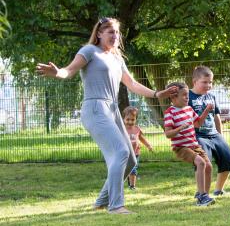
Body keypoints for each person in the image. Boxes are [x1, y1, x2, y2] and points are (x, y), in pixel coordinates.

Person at [36, 17, 176, 214]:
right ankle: (116, 205)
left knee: (130, 161)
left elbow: (132, 84)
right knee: (120, 152)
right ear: (99, 33)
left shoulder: (117, 59)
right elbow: (69, 70)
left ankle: (102, 201)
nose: (115, 36)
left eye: (117, 32)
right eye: (110, 32)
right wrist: (57, 72)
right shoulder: (89, 51)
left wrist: (156, 94)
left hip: (112, 110)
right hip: (95, 108)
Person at [164, 82, 215, 206]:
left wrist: (206, 111)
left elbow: (197, 124)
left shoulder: (189, 109)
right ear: (173, 97)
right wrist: (180, 128)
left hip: (194, 145)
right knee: (200, 162)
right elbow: (168, 134)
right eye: (184, 95)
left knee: (208, 166)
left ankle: (204, 194)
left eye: (188, 95)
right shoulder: (169, 113)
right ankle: (202, 197)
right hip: (181, 147)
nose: (187, 97)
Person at [189, 66, 230, 196]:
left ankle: (218, 190)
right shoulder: (187, 97)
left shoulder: (211, 97)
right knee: (204, 163)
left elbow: (216, 117)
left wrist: (221, 136)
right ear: (195, 81)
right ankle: (202, 192)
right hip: (198, 136)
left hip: (214, 134)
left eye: (210, 82)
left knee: (228, 160)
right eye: (204, 82)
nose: (208, 85)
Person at [123, 106, 154, 190]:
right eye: (128, 119)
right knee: (123, 169)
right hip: (124, 154)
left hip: (135, 154)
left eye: (132, 119)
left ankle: (132, 186)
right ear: (123, 119)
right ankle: (121, 183)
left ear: (136, 119)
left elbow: (141, 138)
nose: (130, 122)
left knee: (133, 169)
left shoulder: (137, 129)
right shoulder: (122, 129)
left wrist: (148, 145)